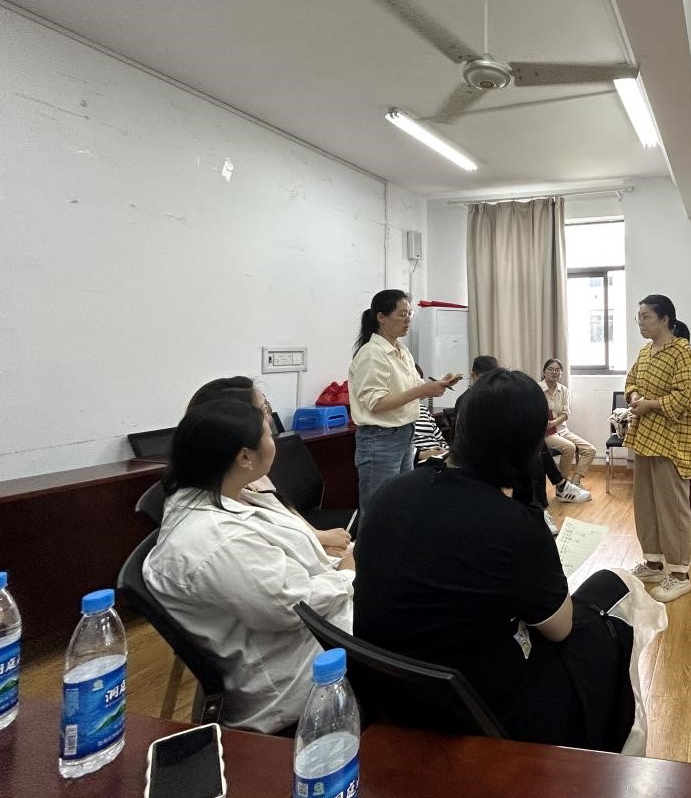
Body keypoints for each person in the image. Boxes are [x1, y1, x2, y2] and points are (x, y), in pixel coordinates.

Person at [353, 368, 655, 751]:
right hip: (480, 717)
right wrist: (530, 516)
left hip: (390, 700)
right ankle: (623, 751)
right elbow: (560, 628)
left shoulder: (390, 494)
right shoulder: (514, 525)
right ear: (530, 447)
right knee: (617, 588)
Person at [143, 397, 355, 734]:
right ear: (244, 456)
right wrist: (347, 574)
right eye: (268, 432)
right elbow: (291, 606)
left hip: (306, 630)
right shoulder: (216, 539)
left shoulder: (231, 496)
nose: (274, 438)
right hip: (295, 678)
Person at [185, 376, 351, 557]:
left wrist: (316, 538)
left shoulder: (245, 478)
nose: (270, 419)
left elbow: (282, 509)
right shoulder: (225, 532)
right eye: (264, 411)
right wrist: (341, 560)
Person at [348, 290, 460, 516]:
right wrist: (424, 389)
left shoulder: (402, 350)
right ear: (381, 317)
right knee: (379, 508)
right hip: (380, 438)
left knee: (400, 503)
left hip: (405, 434)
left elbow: (415, 388)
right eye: (402, 314)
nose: (408, 319)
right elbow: (376, 403)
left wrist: (438, 384)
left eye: (410, 314)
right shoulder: (372, 353)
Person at [624, 294, 691, 603]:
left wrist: (651, 404)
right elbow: (631, 381)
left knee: (672, 507)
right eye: (639, 317)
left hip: (671, 441)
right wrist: (634, 397)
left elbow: (687, 398)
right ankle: (653, 564)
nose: (640, 323)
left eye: (646, 317)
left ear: (665, 319)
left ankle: (679, 574)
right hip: (644, 438)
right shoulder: (645, 351)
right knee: (645, 504)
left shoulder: (682, 353)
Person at [471, 355, 570, 532]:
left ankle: (541, 506)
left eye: (493, 377)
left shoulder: (500, 397)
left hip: (509, 444)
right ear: (474, 376)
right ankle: (550, 495)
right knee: (531, 455)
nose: (489, 383)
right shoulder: (468, 400)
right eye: (485, 377)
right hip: (486, 452)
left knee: (532, 450)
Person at [540, 358, 598, 492]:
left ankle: (575, 483)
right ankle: (562, 486)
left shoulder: (564, 390)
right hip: (546, 433)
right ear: (544, 371)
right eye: (550, 369)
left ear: (561, 373)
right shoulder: (537, 389)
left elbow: (566, 413)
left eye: (558, 370)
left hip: (562, 430)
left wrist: (553, 423)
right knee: (569, 447)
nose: (554, 372)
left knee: (590, 450)